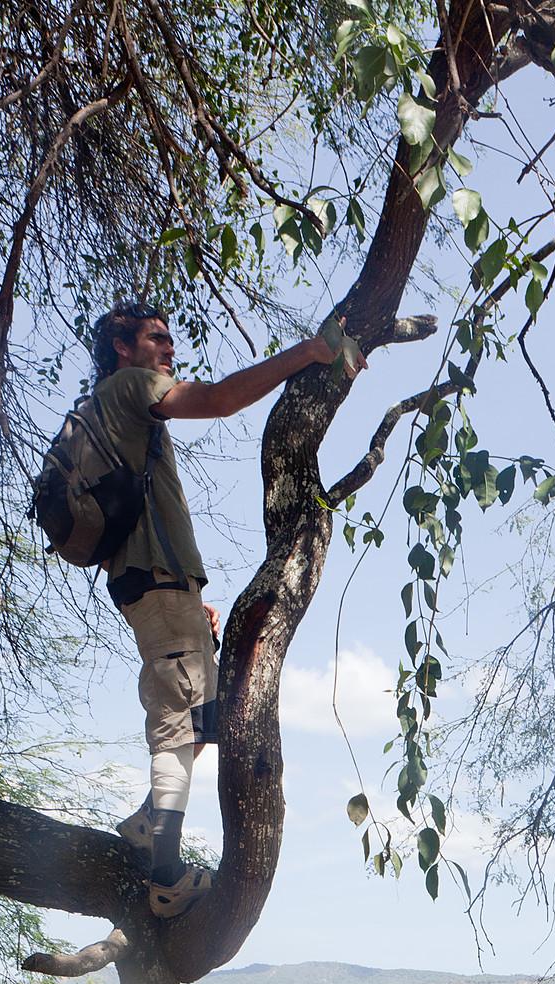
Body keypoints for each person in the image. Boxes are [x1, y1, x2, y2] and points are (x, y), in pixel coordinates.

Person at [89, 301, 365, 915]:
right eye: (156, 338)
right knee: (177, 724)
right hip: (158, 588)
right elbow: (216, 399)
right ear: (123, 348)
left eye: (169, 340)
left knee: (203, 715)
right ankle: (165, 877)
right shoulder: (131, 388)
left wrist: (186, 600)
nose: (169, 349)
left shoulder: (111, 412)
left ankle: (147, 823)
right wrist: (309, 352)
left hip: (165, 590)